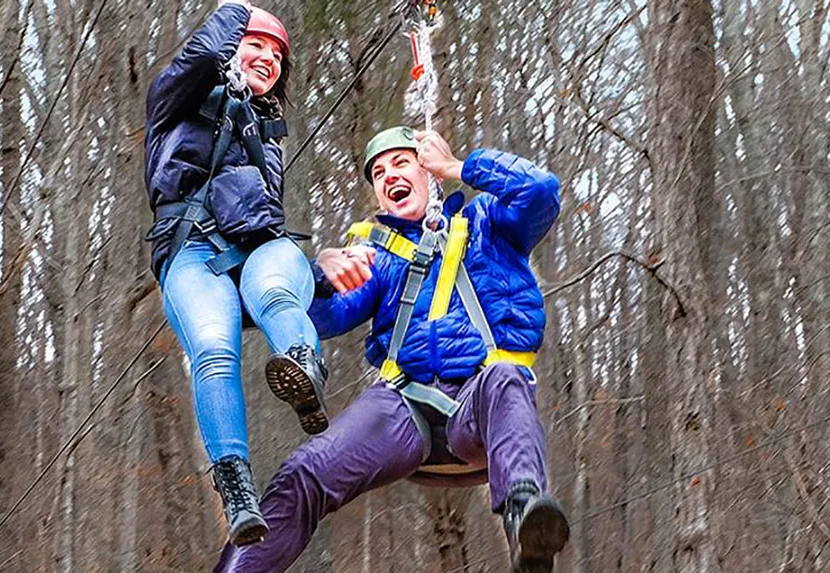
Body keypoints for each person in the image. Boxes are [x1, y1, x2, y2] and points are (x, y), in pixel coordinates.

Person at [215, 127, 570, 573]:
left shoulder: (490, 224)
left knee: (507, 379)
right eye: (378, 173)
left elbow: (541, 190)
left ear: (428, 173)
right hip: (403, 406)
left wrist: (460, 167)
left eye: (401, 163)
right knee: (304, 473)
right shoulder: (376, 252)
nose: (388, 177)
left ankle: (526, 521)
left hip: (479, 405)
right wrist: (316, 275)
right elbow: (325, 315)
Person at [143, 0, 329, 546]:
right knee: (212, 347)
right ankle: (237, 490)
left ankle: (304, 366)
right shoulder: (174, 100)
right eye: (257, 45)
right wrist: (236, 11)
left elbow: (262, 220)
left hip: (259, 250)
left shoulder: (266, 137)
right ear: (231, 46)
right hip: (192, 250)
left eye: (278, 55)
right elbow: (201, 55)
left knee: (275, 290)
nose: (269, 59)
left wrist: (319, 275)